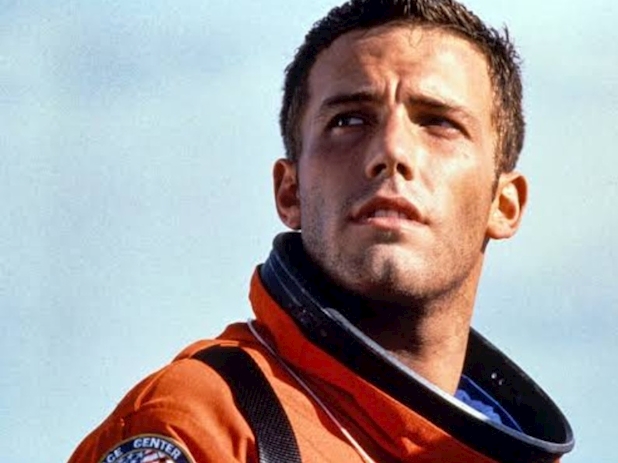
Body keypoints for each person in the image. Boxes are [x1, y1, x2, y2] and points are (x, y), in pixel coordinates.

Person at [68, 0, 574, 461]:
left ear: (504, 204)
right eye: (349, 120)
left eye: (439, 122)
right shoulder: (201, 424)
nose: (392, 151)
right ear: (290, 193)